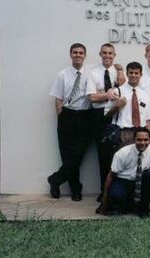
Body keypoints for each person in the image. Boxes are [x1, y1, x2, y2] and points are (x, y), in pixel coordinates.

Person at [47, 43, 92, 201]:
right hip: (68, 116)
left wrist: (120, 70)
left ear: (85, 55)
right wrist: (62, 115)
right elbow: (58, 98)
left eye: (81, 53)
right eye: (75, 52)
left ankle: (55, 179)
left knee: (77, 155)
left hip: (86, 117)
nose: (78, 55)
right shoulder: (63, 74)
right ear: (71, 55)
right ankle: (75, 190)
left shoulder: (91, 72)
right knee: (67, 155)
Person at [86, 43, 126, 202]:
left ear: (114, 55)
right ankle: (104, 192)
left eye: (110, 53)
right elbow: (91, 97)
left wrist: (121, 71)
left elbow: (125, 92)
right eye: (104, 53)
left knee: (118, 154)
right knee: (102, 156)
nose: (107, 56)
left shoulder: (119, 73)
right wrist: (107, 95)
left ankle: (117, 192)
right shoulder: (93, 73)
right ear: (100, 54)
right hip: (99, 117)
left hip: (117, 115)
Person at [98, 127, 150, 217]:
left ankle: (143, 209)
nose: (142, 143)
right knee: (116, 196)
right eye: (139, 140)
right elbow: (111, 175)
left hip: (142, 184)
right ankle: (125, 205)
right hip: (124, 182)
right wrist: (104, 201)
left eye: (145, 140)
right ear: (134, 140)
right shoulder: (123, 153)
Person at [105, 62, 150, 147]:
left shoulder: (145, 94)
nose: (133, 75)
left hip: (141, 134)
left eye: (136, 73)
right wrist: (117, 106)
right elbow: (107, 114)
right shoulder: (117, 92)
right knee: (123, 158)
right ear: (127, 74)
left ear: (141, 74)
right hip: (124, 133)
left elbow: (148, 119)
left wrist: (147, 137)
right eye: (131, 72)